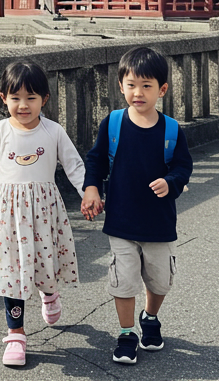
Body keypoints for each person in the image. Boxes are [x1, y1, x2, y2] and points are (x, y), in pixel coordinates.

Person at [0, 60, 97, 367]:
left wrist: (88, 192)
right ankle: (16, 333)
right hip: (6, 215)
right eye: (15, 98)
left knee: (44, 260)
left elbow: (73, 165)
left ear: (45, 99)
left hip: (43, 211)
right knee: (11, 272)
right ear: (3, 98)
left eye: (31, 98)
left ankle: (50, 293)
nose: (23, 105)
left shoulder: (53, 131)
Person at [81, 46, 193, 365]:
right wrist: (91, 189)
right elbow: (96, 159)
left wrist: (170, 182)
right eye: (131, 85)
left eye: (146, 85)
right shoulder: (113, 124)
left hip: (158, 222)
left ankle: (151, 317)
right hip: (121, 221)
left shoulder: (171, 130)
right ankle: (127, 333)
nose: (138, 92)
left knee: (160, 281)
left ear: (162, 89)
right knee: (124, 280)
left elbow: (184, 166)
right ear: (121, 86)